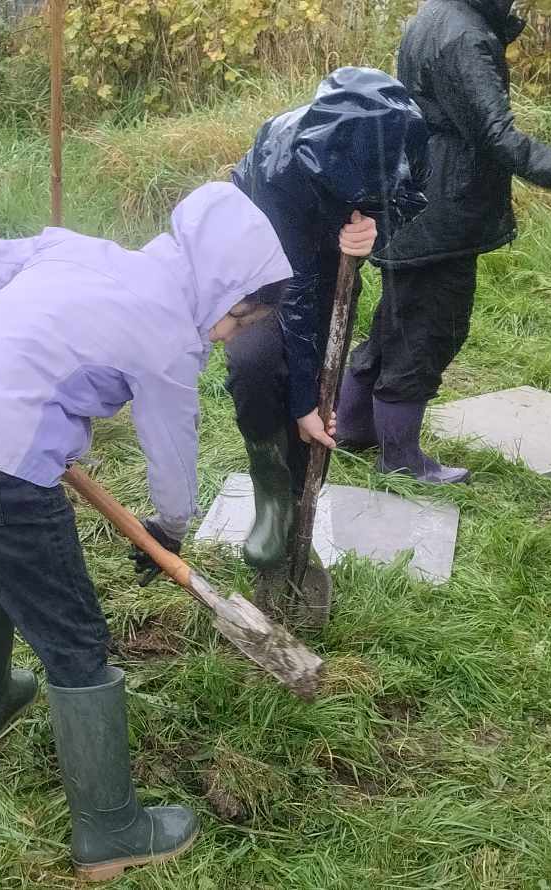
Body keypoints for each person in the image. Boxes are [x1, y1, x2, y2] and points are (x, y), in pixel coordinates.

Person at [0, 183, 292, 881]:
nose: (227, 333)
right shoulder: (170, 338)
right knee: (76, 640)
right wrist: (170, 527)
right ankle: (112, 831)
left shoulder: (77, 250)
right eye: (237, 317)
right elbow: (173, 443)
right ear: (219, 287)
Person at [330, 0, 551, 485]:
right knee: (430, 330)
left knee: (396, 319)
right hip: (443, 206)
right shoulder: (465, 35)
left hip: (412, 188)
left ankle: (352, 428)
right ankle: (400, 457)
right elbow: (499, 137)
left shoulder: (434, 14)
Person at [224, 67, 429, 597]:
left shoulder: (405, 136)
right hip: (263, 267)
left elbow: (411, 198)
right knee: (257, 362)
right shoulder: (281, 160)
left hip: (336, 265)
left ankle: (300, 507)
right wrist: (298, 405)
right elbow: (296, 291)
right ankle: (272, 496)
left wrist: (376, 229)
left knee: (320, 388)